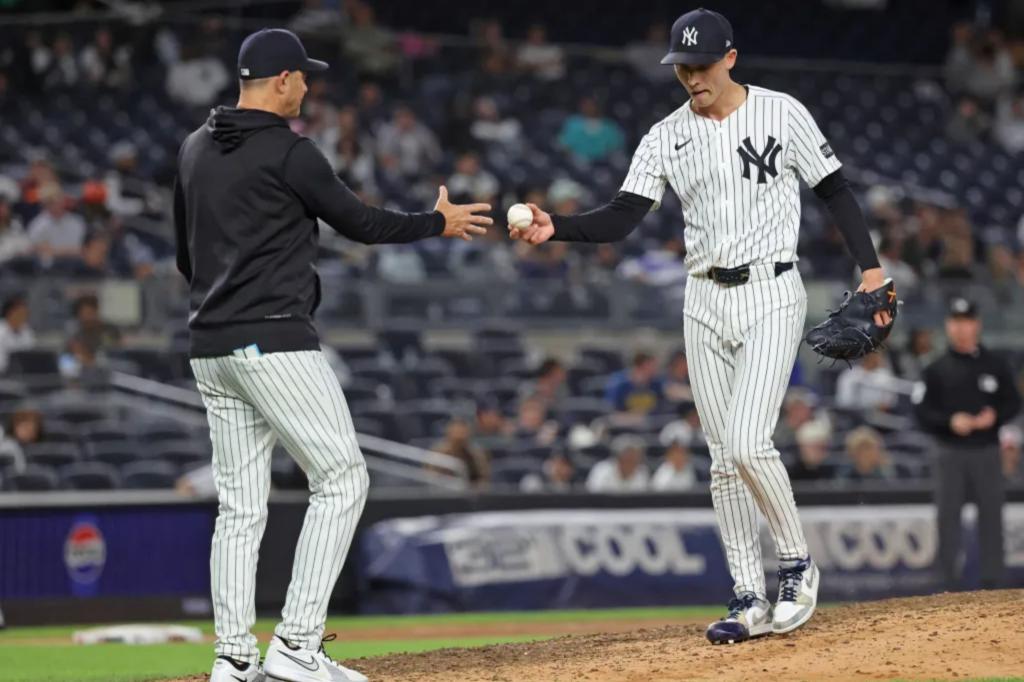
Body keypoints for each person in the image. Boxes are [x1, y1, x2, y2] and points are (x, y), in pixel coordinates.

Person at [510, 8, 890, 643]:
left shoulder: (782, 112)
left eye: (702, 65)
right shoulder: (665, 135)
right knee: (721, 459)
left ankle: (797, 565)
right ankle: (747, 595)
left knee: (747, 443)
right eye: (682, 67)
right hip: (703, 298)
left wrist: (871, 269)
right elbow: (624, 214)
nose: (691, 77)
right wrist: (560, 227)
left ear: (730, 59)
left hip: (772, 290)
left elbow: (835, 190)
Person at [172, 28, 491, 682]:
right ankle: (297, 644)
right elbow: (362, 224)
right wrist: (438, 222)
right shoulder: (291, 152)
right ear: (282, 80)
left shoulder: (193, 146)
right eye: (303, 76)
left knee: (239, 507)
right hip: (273, 340)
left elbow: (186, 256)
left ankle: (233, 657)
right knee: (344, 478)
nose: (309, 85)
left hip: (210, 345)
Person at [914, 297, 1022, 591]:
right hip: (949, 452)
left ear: (977, 325)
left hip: (986, 451)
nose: (962, 329)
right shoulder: (935, 369)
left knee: (992, 517)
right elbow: (921, 411)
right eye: (956, 322)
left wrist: (995, 416)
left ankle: (994, 584)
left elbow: (1014, 401)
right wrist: (950, 421)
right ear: (948, 326)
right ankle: (946, 584)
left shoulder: (996, 365)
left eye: (967, 322)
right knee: (948, 518)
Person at [834, 350, 899, 412]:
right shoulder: (850, 374)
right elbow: (844, 401)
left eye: (878, 356)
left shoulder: (884, 375)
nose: (875, 358)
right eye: (871, 355)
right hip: (854, 413)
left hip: (879, 414)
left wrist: (880, 406)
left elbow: (891, 400)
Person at [604, 351, 664, 416]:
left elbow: (660, 407)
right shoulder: (622, 385)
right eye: (652, 365)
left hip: (650, 420)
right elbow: (614, 410)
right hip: (626, 419)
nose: (656, 369)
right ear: (643, 365)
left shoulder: (656, 385)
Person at [585, 435, 649, 492]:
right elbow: (592, 496)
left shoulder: (642, 472)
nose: (634, 459)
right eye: (630, 456)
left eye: (637, 457)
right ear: (619, 456)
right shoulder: (602, 470)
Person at [0, 294, 35, 374]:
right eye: (20, 313)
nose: (23, 317)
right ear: (9, 313)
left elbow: (31, 356)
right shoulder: (1, 332)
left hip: (23, 374)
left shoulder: (27, 331)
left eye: (25, 314)